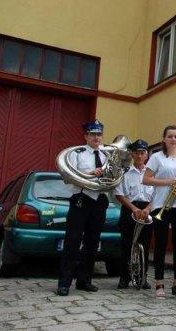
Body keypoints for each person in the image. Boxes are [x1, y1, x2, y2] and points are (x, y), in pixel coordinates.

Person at [57, 120, 109, 296]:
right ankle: (64, 283)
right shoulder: (76, 153)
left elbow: (112, 177)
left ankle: (84, 280)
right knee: (72, 240)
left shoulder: (106, 155)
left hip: (100, 199)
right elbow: (68, 176)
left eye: (99, 134)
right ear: (85, 136)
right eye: (93, 134)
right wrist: (90, 174)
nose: (96, 137)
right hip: (81, 198)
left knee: (92, 242)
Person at [142, 125, 176, 300]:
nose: (173, 139)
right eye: (170, 136)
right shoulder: (156, 157)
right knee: (161, 244)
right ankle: (159, 282)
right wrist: (169, 181)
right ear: (164, 139)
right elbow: (146, 179)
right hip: (160, 205)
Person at [116, 139, 154, 289]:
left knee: (145, 244)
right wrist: (133, 208)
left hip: (147, 210)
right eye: (137, 153)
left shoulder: (152, 174)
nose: (139, 156)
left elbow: (158, 195)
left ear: (146, 155)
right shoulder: (124, 173)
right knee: (126, 244)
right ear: (132, 154)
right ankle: (124, 278)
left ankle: (142, 278)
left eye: (142, 153)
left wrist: (148, 209)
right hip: (129, 209)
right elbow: (119, 194)